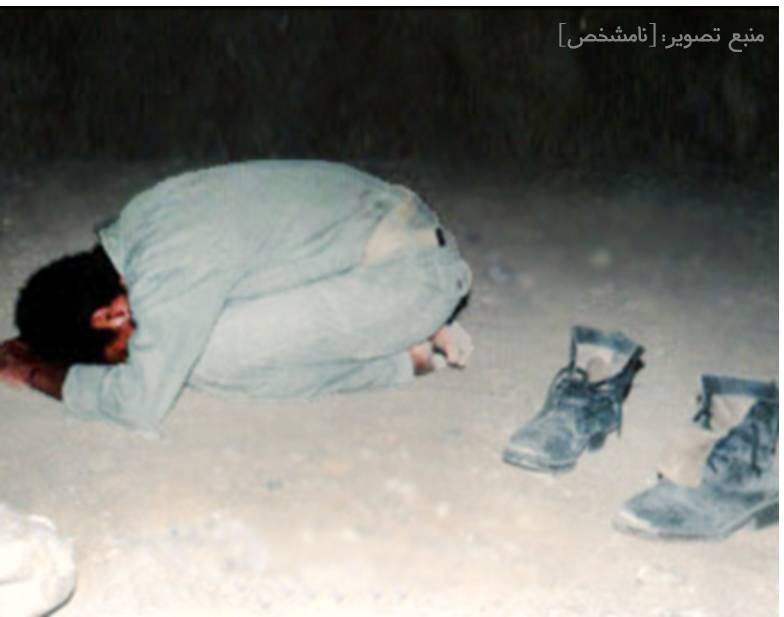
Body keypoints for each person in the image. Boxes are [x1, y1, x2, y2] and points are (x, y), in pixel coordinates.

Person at [0, 161, 472, 430]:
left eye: (118, 352)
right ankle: (405, 330)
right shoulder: (142, 221)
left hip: (412, 279)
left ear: (111, 315)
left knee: (203, 357)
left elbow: (140, 404)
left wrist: (39, 373)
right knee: (201, 326)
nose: (130, 354)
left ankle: (402, 360)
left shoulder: (167, 269)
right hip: (395, 243)